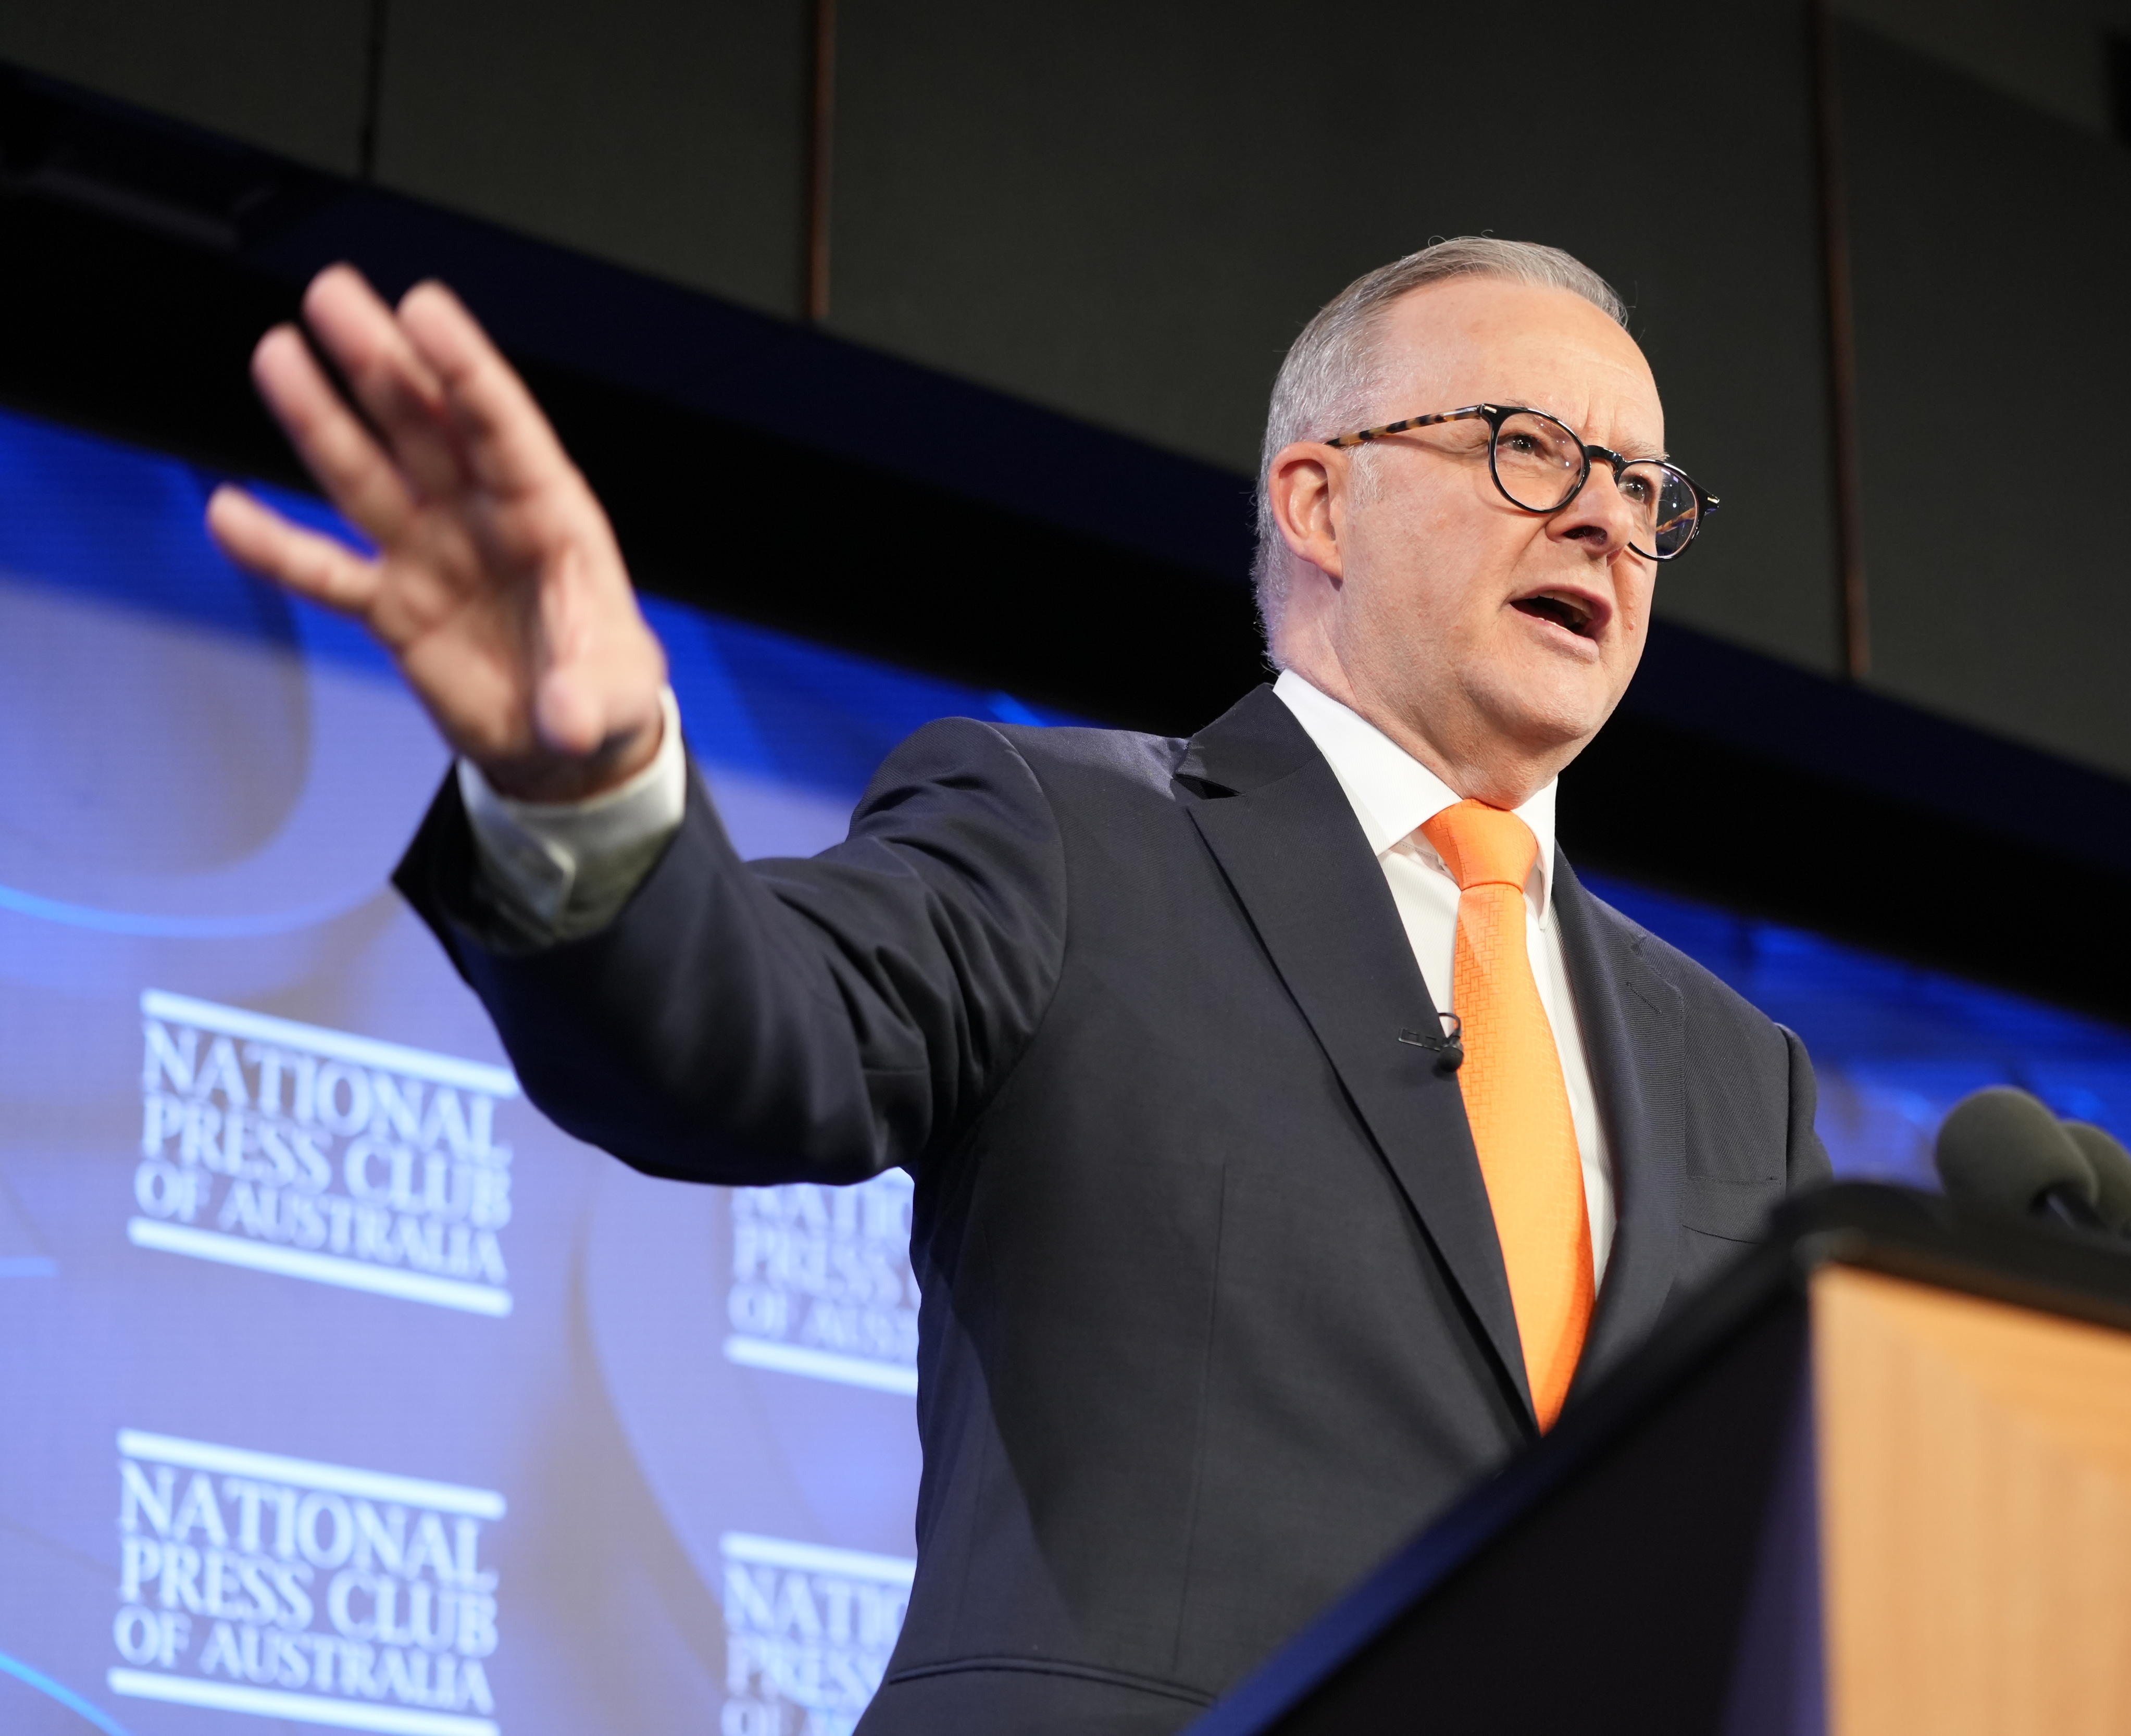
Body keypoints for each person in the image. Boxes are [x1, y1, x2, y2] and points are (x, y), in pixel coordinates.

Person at [208, 237, 1831, 1735]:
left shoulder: (1735, 1071)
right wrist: (591, 780)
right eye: (1527, 447)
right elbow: (744, 1034)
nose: (1605, 518)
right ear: (1321, 502)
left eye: (1643, 485)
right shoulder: (1068, 839)